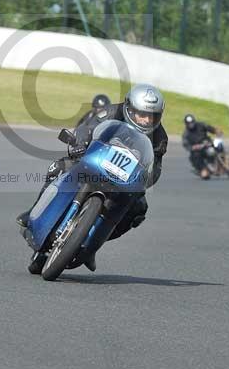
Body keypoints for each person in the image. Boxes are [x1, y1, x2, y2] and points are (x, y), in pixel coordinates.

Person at [16, 84, 167, 272]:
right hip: (94, 159)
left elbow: (156, 167)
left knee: (138, 209)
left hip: (124, 177)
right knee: (58, 167)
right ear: (129, 108)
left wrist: (146, 178)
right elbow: (85, 129)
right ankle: (33, 213)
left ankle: (93, 244)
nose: (146, 120)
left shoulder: (159, 137)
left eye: (151, 116)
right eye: (141, 114)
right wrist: (79, 145)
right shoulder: (110, 112)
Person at [181, 113, 221, 179]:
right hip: (198, 149)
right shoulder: (186, 134)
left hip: (207, 143)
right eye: (189, 123)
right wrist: (193, 147)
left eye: (192, 122)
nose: (191, 124)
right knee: (196, 157)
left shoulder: (201, 125)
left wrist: (215, 131)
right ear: (186, 124)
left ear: (194, 121)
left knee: (218, 146)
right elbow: (186, 144)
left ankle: (223, 161)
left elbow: (209, 128)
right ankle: (203, 169)